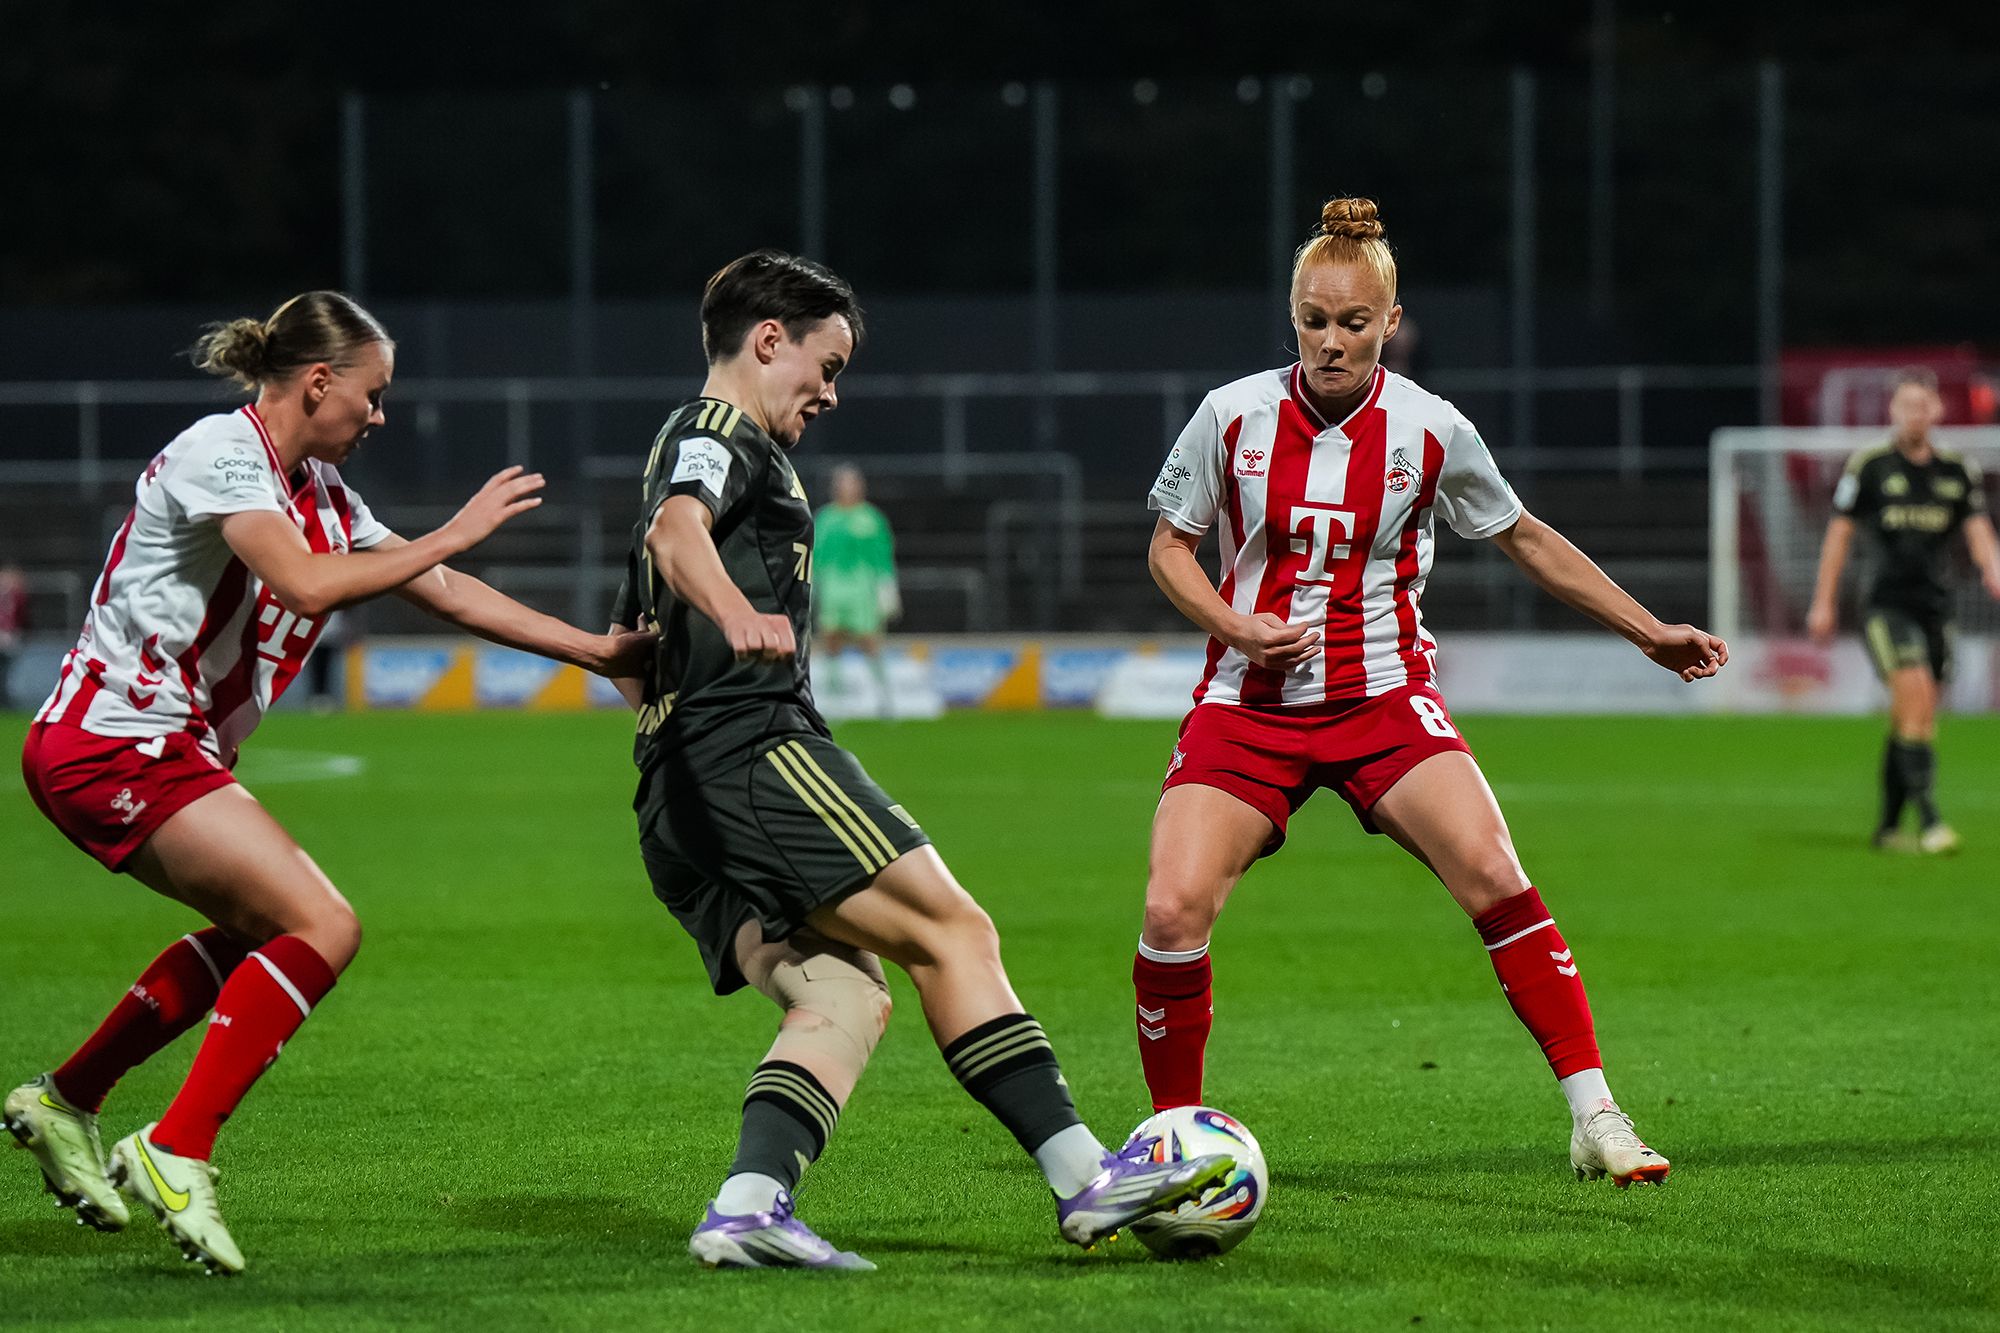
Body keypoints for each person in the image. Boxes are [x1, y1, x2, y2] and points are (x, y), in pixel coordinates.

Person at [608, 250, 1231, 1271]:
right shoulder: (719, 430)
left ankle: (747, 1208)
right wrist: (735, 616)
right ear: (769, 339)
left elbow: (631, 644)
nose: (830, 392)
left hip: (674, 794)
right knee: (953, 930)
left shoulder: (678, 449)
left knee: (842, 996)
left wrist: (680, 689)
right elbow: (681, 535)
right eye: (826, 365)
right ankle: (1084, 1175)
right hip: (751, 752)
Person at [5, 292, 649, 1274]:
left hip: (157, 747)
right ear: (317, 382)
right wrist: (453, 531)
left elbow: (439, 589)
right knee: (322, 925)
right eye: (373, 394)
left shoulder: (322, 494)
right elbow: (306, 583)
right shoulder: (223, 451)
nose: (379, 415)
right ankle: (177, 1146)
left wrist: (594, 652)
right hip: (113, 742)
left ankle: (67, 1099)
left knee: (266, 932)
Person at [1133, 199, 1728, 1188]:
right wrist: (1234, 625)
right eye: (1313, 321)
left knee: (1495, 872)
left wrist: (1647, 630)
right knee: (1170, 908)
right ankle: (1171, 1143)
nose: (1330, 342)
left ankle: (1595, 1115)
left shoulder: (1430, 427)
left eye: (1352, 322)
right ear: (1291, 317)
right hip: (1249, 705)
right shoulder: (1229, 415)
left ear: (1391, 320)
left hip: (1383, 703)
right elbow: (1167, 546)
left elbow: (1524, 537)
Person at [1806, 369, 2000, 853]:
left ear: (1938, 410)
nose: (1915, 414)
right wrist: (1823, 602)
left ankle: (1889, 827)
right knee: (1914, 694)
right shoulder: (1870, 466)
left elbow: (1978, 528)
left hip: (1936, 607)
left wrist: (1993, 570)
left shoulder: (1957, 470)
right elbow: (1839, 534)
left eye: (1923, 405)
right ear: (1893, 411)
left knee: (1916, 714)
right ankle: (1931, 821)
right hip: (1885, 606)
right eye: (1906, 405)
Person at [812, 463, 900, 713]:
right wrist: (812, 587)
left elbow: (883, 555)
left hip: (862, 586)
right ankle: (833, 701)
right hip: (832, 586)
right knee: (831, 638)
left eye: (851, 483)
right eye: (841, 483)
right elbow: (816, 555)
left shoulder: (871, 518)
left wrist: (887, 587)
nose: (846, 488)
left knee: (870, 640)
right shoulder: (825, 518)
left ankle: (885, 699)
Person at [0, 561, 26, 710]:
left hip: (9, 634)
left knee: (6, 671)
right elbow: (21, 614)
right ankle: (4, 699)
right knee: (6, 671)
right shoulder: (16, 593)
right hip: (9, 634)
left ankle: (4, 698)